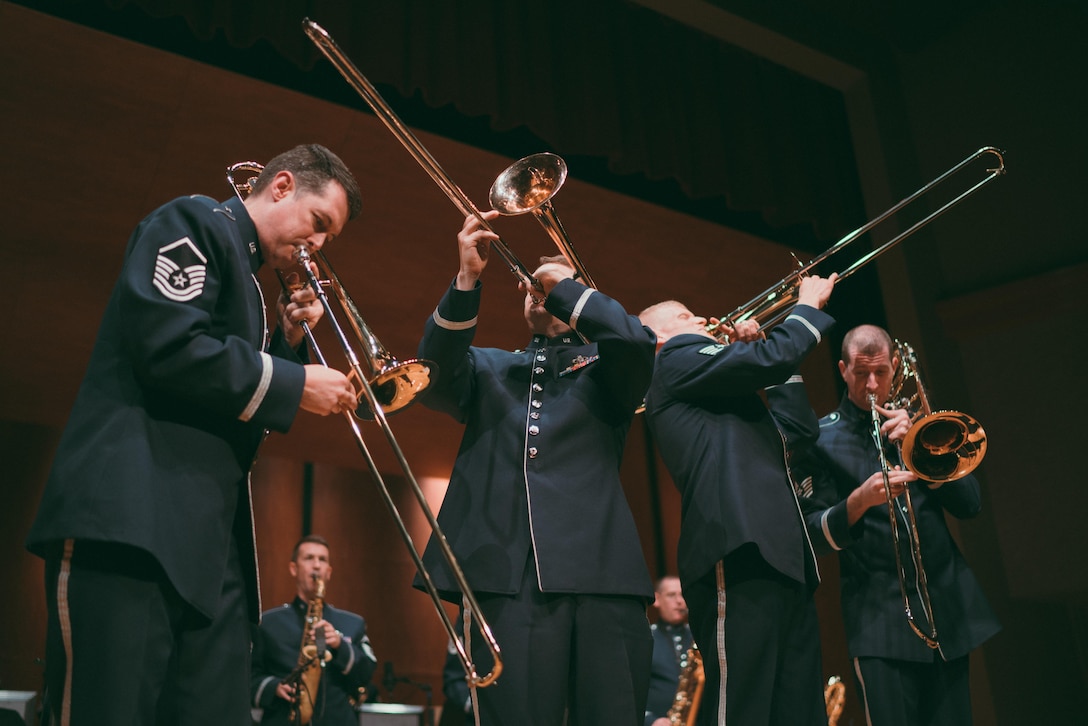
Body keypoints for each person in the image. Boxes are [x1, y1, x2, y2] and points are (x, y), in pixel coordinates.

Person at [25, 143, 363, 726]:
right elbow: (169, 347)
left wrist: (282, 344)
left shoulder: (252, 289)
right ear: (281, 186)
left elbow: (220, 406)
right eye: (319, 223)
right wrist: (292, 380)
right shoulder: (195, 221)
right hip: (129, 526)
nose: (319, 246)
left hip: (198, 548)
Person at [414, 209, 657, 726]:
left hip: (602, 578)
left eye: (554, 285)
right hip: (506, 579)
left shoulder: (609, 365)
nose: (537, 289)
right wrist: (466, 279)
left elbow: (637, 342)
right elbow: (433, 376)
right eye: (532, 286)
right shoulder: (491, 366)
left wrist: (564, 286)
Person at [638, 273, 837, 726]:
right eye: (687, 316)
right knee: (743, 706)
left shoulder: (722, 391)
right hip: (738, 546)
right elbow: (772, 356)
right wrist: (804, 305)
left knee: (799, 711)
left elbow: (799, 436)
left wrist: (767, 354)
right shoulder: (672, 360)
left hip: (784, 556)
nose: (705, 319)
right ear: (658, 337)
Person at [804, 324, 1000, 725]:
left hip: (948, 614)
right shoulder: (821, 439)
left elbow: (971, 505)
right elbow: (812, 534)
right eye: (861, 374)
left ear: (896, 366)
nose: (872, 384)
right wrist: (858, 501)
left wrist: (921, 447)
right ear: (843, 370)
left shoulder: (922, 425)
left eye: (881, 372)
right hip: (879, 624)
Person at [250, 535, 377, 725]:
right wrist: (273, 687)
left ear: (329, 572)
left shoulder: (353, 623)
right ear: (294, 568)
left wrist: (339, 645)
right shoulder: (267, 623)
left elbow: (367, 674)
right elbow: (246, 677)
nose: (316, 565)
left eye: (322, 560)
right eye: (309, 558)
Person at [645, 576, 696, 726]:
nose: (680, 601)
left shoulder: (698, 637)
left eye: (682, 595)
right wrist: (650, 720)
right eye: (672, 595)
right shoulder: (647, 639)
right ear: (657, 599)